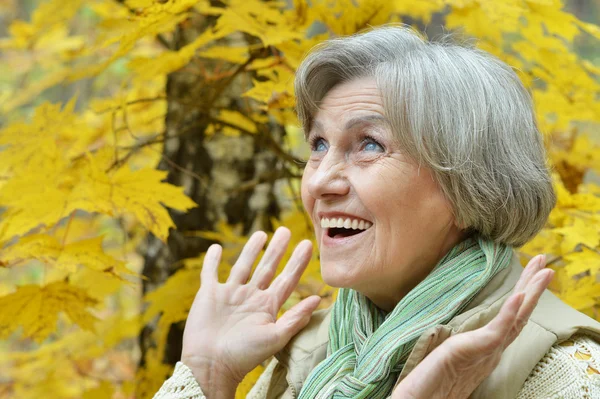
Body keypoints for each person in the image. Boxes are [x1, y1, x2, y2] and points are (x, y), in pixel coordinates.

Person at [154, 26, 600, 399]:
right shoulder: (316, 354)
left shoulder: (565, 374)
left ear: (469, 186)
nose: (319, 181)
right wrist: (207, 376)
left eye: (369, 144)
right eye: (318, 145)